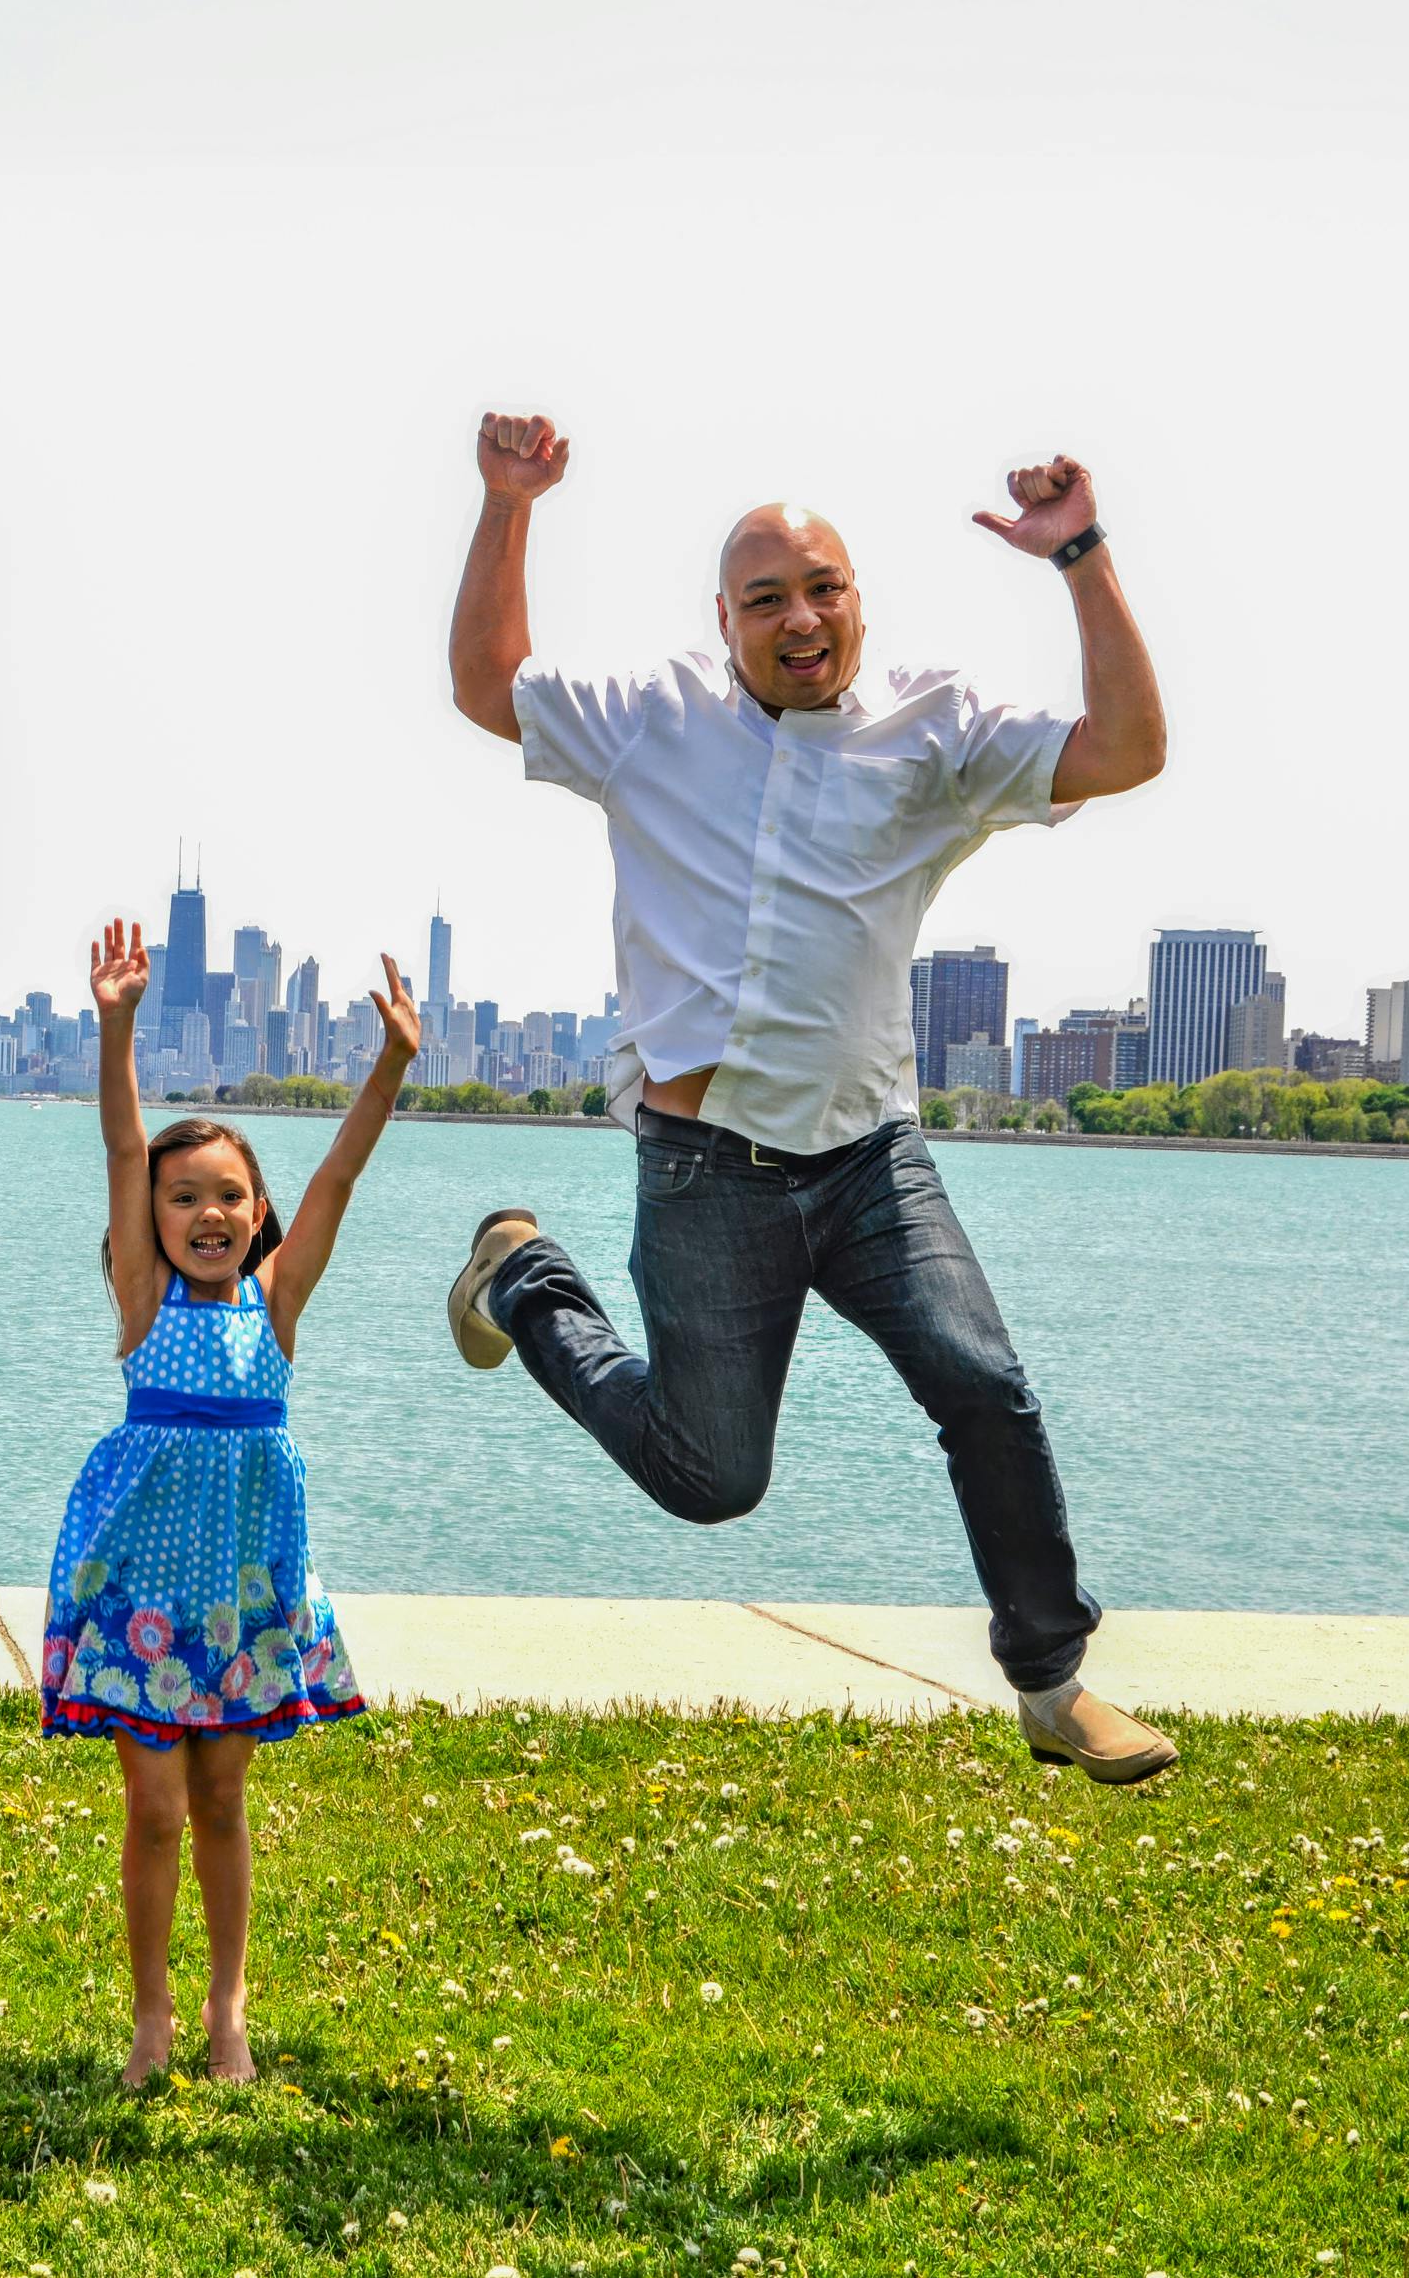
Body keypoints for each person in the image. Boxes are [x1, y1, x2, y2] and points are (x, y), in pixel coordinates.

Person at [437, 414, 1183, 1785]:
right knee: (711, 1478)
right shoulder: (651, 718)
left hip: (870, 1160)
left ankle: (1052, 1677)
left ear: (858, 601)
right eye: (766, 596)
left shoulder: (935, 729)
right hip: (708, 1168)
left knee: (988, 1389)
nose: (800, 617)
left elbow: (1128, 747)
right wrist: (507, 504)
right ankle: (525, 1275)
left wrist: (1077, 552)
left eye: (823, 587)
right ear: (722, 620)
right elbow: (491, 684)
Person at [43, 919, 413, 2086]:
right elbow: (118, 1144)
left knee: (219, 1798)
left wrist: (391, 1062)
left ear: (260, 1215)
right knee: (152, 1805)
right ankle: (151, 2016)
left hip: (245, 1593)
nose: (207, 1212)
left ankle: (227, 2009)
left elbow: (340, 1174)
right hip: (146, 1591)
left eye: (229, 1196)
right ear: (147, 1224)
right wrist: (117, 1027)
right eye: (181, 1196)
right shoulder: (145, 1305)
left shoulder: (277, 1303)